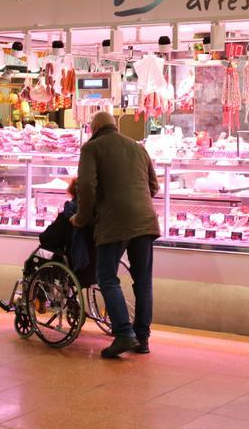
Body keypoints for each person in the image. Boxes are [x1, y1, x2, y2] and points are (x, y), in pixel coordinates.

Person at [71, 111, 159, 359]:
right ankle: (142, 337)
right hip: (145, 220)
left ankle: (123, 333)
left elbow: (86, 186)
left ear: (93, 128)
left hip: (114, 221)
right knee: (143, 280)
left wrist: (81, 218)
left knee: (107, 277)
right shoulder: (138, 147)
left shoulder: (92, 149)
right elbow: (154, 186)